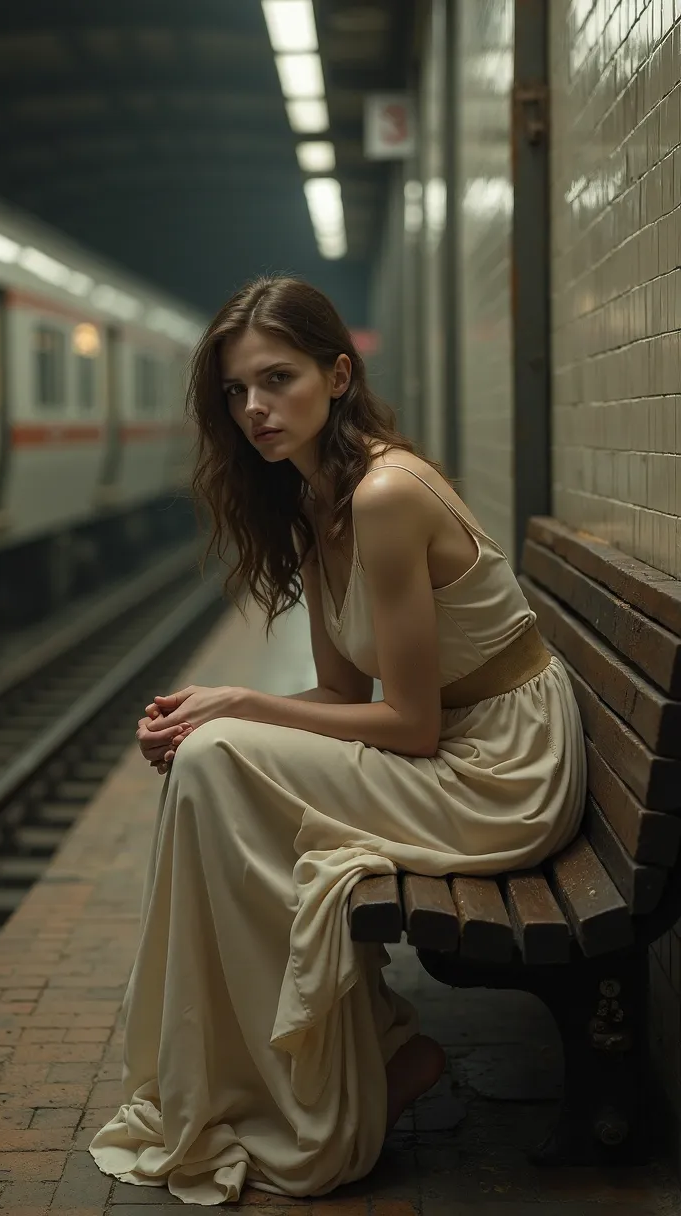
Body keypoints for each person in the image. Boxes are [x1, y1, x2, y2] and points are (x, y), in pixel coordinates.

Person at [89, 275, 586, 1205]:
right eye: (236, 392)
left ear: (340, 375)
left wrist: (238, 703)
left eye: (278, 380)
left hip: (502, 769)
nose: (255, 409)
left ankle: (347, 1076)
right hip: (451, 750)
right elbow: (338, 693)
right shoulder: (316, 501)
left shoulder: (385, 496)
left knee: (219, 761)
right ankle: (347, 1063)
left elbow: (409, 723)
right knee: (212, 762)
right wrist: (226, 712)